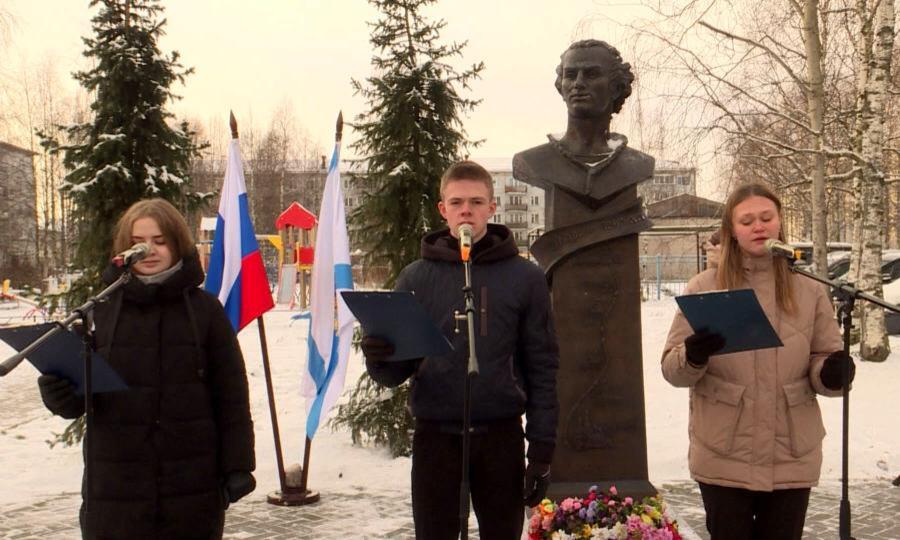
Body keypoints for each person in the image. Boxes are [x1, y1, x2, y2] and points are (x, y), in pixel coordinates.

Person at [362, 161, 559, 539]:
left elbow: (543, 367)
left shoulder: (525, 278)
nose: (465, 210)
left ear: (491, 207)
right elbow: (395, 372)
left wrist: (542, 453)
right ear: (443, 210)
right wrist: (380, 353)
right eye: (456, 202)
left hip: (500, 438)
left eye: (475, 201)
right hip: (436, 439)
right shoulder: (417, 277)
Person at [37, 198, 256, 539]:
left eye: (160, 240)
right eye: (139, 241)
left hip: (190, 488)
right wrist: (58, 393)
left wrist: (238, 466)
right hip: (115, 491)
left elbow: (231, 396)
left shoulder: (205, 312)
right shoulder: (100, 311)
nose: (149, 250)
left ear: (178, 243)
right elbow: (79, 400)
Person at [661, 183, 856, 540]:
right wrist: (693, 355)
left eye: (766, 217)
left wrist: (830, 372)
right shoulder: (704, 287)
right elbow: (672, 370)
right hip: (723, 450)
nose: (758, 226)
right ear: (732, 231)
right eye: (747, 220)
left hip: (791, 452)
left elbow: (823, 358)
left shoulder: (809, 289)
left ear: (780, 222)